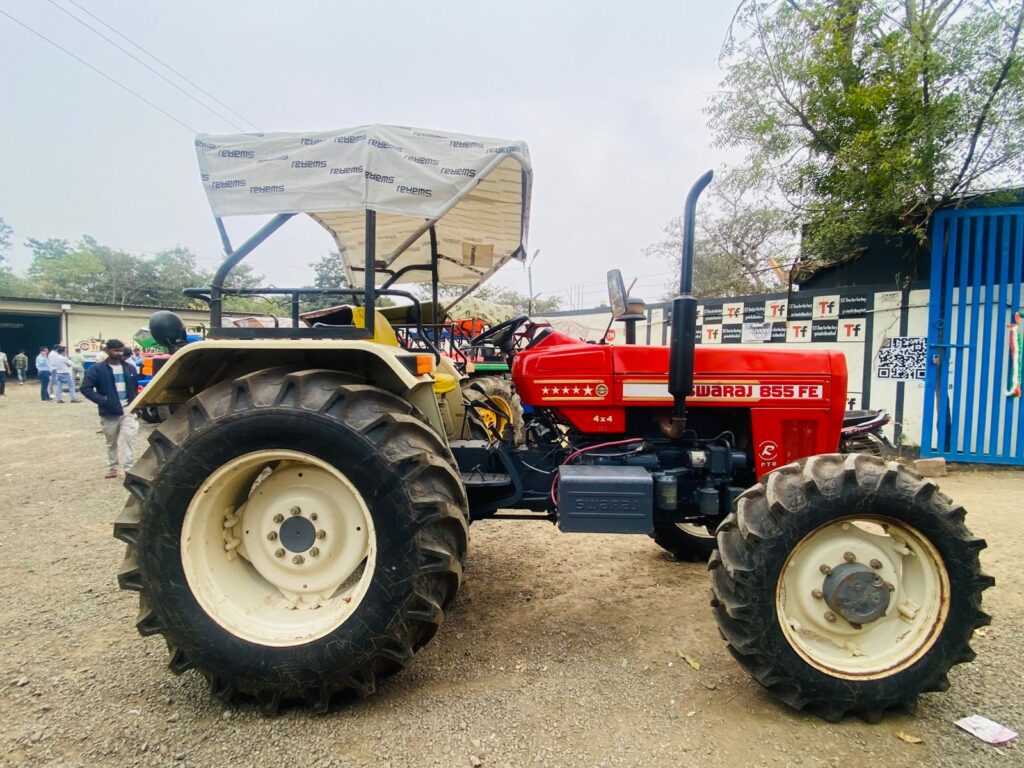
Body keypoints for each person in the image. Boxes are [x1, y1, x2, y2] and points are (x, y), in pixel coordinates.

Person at [81, 339, 140, 478]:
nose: (119, 353)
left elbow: (134, 389)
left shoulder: (130, 368)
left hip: (128, 410)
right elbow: (85, 388)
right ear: (107, 351)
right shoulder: (97, 369)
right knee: (111, 441)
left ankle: (128, 469)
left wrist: (137, 405)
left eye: (121, 350)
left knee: (128, 439)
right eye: (115, 350)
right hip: (109, 411)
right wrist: (102, 400)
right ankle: (113, 467)